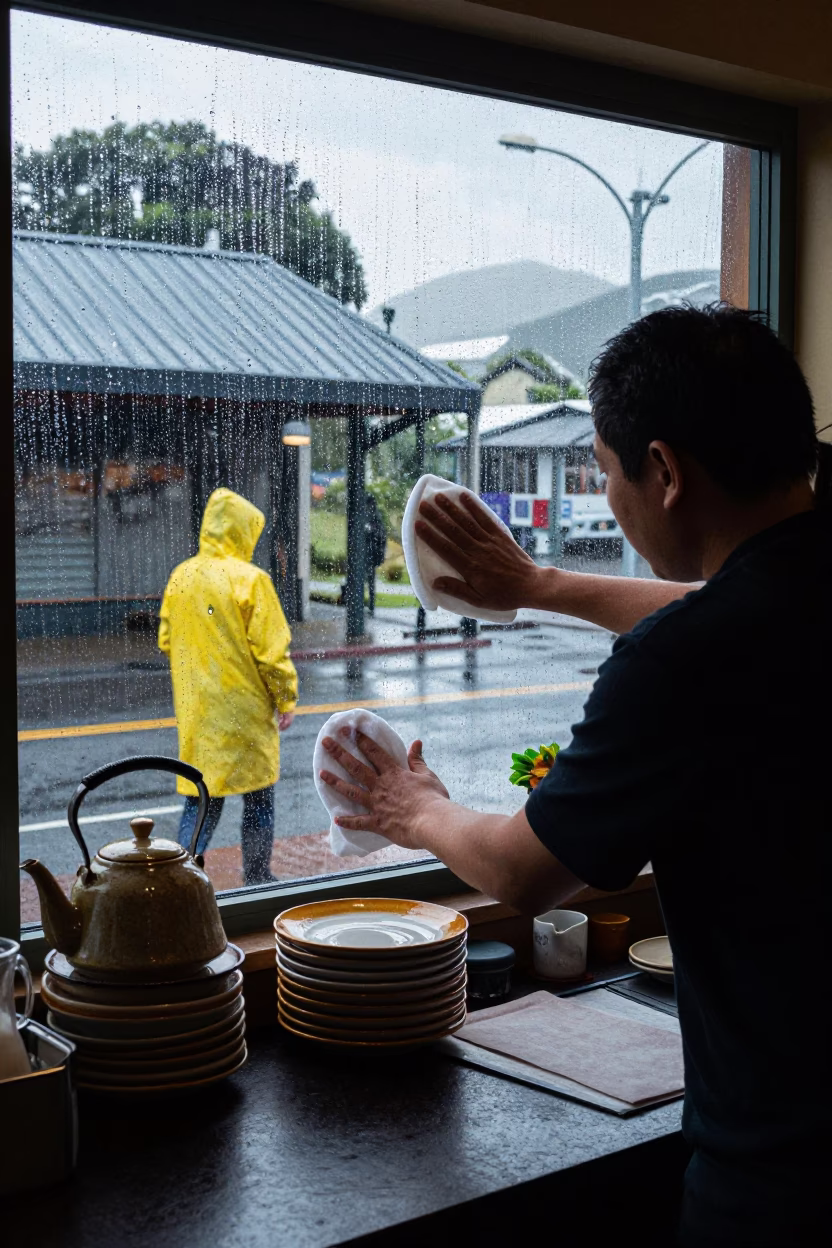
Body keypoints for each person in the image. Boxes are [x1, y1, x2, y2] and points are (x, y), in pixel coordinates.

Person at [320, 306, 829, 1247]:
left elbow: (525, 873)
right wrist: (538, 587)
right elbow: (733, 602)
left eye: (603, 469)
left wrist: (411, 807)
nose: (607, 491)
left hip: (785, 1177)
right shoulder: (786, 595)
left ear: (664, 472)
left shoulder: (685, 663)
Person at [159, 487, 298, 885]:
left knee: (201, 801)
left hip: (199, 712)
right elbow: (271, 654)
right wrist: (285, 698)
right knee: (259, 798)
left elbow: (166, 639)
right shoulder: (251, 580)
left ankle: (178, 881)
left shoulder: (182, 576)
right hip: (246, 712)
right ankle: (257, 878)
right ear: (243, 532)